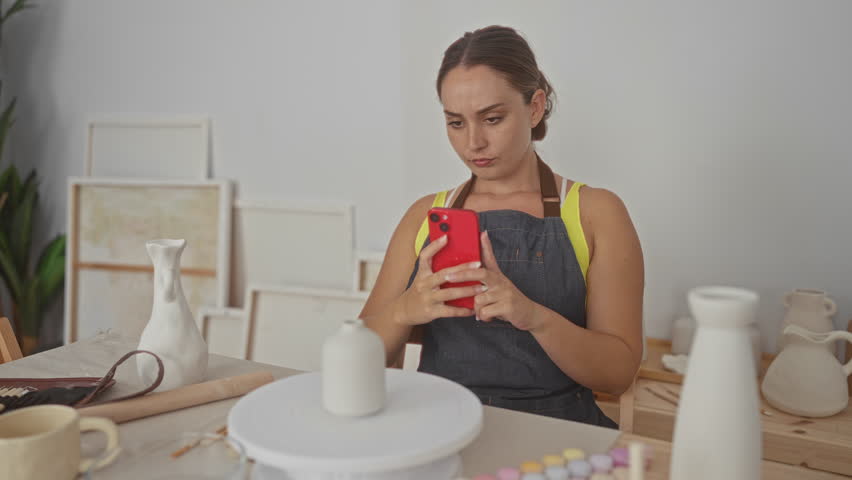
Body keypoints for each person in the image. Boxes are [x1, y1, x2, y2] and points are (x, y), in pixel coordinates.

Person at [361, 25, 644, 428]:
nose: (473, 142)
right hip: (437, 424)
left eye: (492, 118)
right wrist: (405, 311)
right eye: (456, 123)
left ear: (534, 107)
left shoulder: (596, 213)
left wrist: (533, 316)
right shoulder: (423, 216)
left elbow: (618, 374)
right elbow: (356, 354)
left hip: (558, 430)